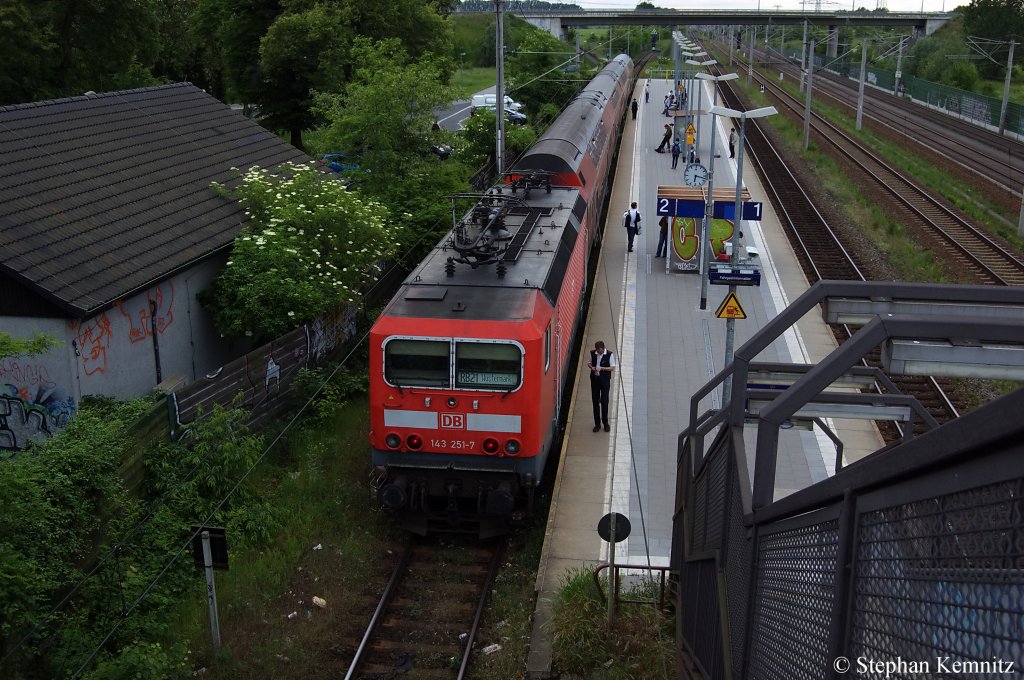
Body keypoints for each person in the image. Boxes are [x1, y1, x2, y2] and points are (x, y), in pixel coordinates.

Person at [587, 341, 616, 432]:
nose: (597, 352)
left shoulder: (610, 355)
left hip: (605, 381)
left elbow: (612, 368)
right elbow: (589, 363)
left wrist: (602, 368)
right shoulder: (593, 353)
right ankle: (597, 424)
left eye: (599, 350)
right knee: (595, 402)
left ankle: (605, 423)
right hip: (595, 380)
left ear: (602, 349)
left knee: (604, 402)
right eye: (596, 350)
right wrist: (592, 367)